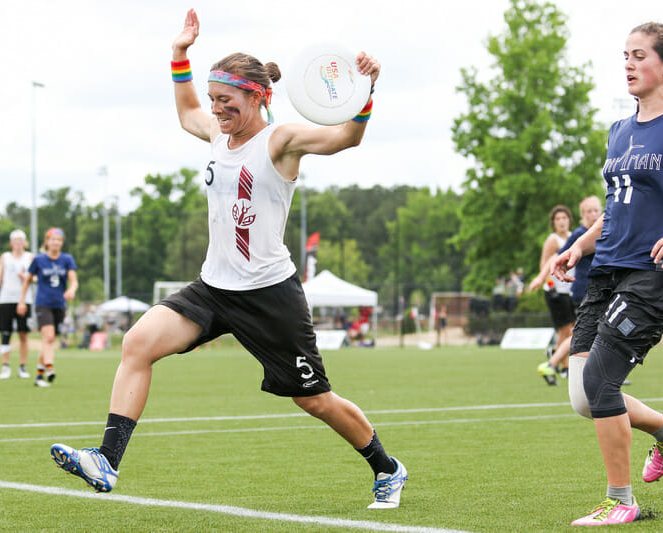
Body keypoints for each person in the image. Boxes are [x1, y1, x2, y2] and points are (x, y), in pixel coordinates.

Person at [49, 9, 406, 510]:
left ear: (259, 97)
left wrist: (366, 89)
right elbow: (185, 111)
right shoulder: (219, 136)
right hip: (213, 289)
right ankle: (107, 460)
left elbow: (346, 137)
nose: (216, 109)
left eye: (227, 100)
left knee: (313, 399)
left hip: (269, 294)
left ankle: (387, 468)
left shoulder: (279, 142)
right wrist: (179, 54)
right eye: (214, 99)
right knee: (137, 343)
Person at [551, 22, 663, 526]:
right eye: (625, 54)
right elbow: (615, 206)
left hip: (651, 274)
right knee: (583, 395)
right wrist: (579, 246)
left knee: (602, 379)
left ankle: (621, 501)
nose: (628, 63)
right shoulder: (619, 131)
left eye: (640, 55)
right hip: (605, 270)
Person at [532, 197, 602, 385]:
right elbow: (556, 256)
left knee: (582, 332)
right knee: (578, 332)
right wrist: (541, 278)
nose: (594, 214)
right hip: (583, 291)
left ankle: (562, 364)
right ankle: (555, 362)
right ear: (582, 215)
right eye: (589, 211)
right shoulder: (580, 234)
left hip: (597, 290)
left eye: (597, 210)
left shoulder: (601, 231)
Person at [17, 228, 78, 387]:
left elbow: (74, 280)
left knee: (49, 341)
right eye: (53, 239)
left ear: (62, 242)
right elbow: (27, 280)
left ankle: (39, 375)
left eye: (59, 239)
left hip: (59, 304)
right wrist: (22, 301)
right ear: (47, 241)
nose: (55, 242)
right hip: (43, 303)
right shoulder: (39, 259)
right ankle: (50, 368)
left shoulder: (67, 259)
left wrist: (71, 290)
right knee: (48, 337)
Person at [528, 205, 575, 385]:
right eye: (558, 219)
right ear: (553, 223)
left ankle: (559, 360)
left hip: (569, 289)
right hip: (556, 290)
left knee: (571, 330)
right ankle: (559, 363)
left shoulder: (573, 237)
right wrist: (549, 285)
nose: (562, 221)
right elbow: (545, 265)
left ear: (569, 220)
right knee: (565, 330)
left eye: (564, 218)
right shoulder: (553, 240)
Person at [0, 229, 34, 379]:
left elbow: (35, 278)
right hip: (6, 299)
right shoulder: (5, 257)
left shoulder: (30, 257)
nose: (18, 243)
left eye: (21, 240)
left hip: (24, 300)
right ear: (11, 243)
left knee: (23, 334)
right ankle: (5, 366)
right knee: (5, 334)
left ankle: (22, 366)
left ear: (25, 242)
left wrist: (26, 278)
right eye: (15, 240)